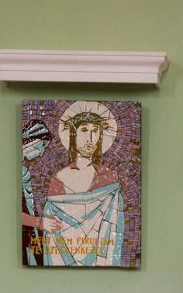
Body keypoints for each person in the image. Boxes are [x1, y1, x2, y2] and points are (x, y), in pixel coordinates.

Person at [42, 102, 124, 266]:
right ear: (74, 135)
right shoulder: (59, 179)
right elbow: (53, 232)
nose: (90, 138)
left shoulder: (108, 177)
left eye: (95, 131)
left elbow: (113, 226)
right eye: (84, 130)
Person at [21, 119, 61, 265]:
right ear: (32, 141)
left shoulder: (23, 171)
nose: (41, 152)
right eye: (42, 145)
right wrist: (39, 222)